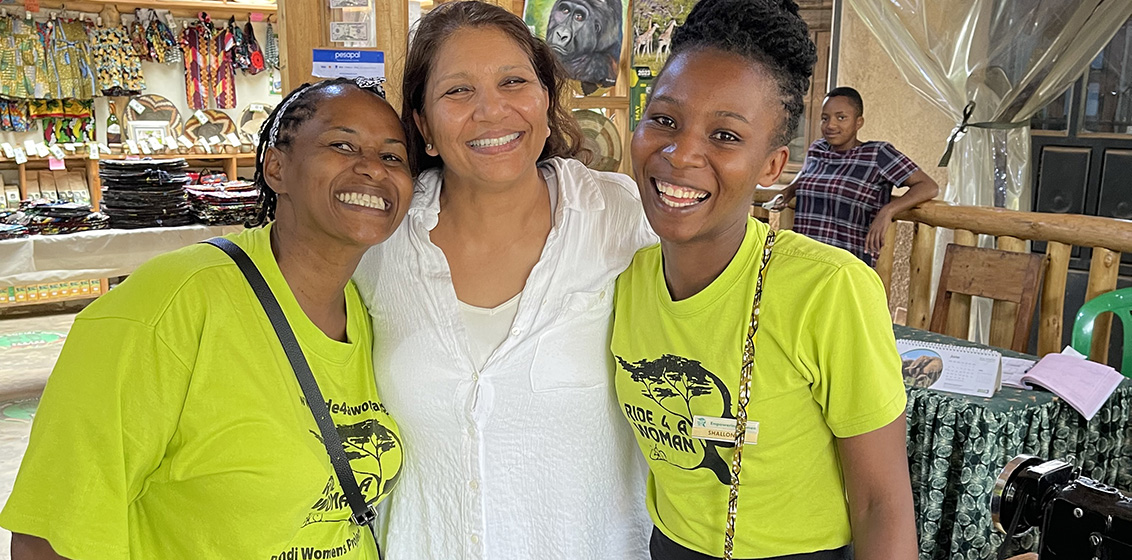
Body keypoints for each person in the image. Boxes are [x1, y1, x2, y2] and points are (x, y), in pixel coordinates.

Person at [2, 78, 413, 559]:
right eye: (342, 145)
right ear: (275, 167)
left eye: (393, 157)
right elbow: (49, 539)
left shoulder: (366, 314)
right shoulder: (171, 305)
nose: (371, 169)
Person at [613, 0, 917, 558]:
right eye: (663, 120)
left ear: (772, 167)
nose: (681, 155)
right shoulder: (623, 282)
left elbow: (883, 505)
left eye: (726, 136)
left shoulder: (830, 291)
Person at [351, 2, 655, 558]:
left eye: (514, 81)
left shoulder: (619, 218)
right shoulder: (380, 240)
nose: (491, 110)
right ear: (424, 126)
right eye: (458, 92)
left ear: (545, 100)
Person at [775, 86, 939, 265]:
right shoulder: (817, 149)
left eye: (841, 117)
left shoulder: (878, 154)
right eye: (825, 118)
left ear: (858, 122)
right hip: (804, 259)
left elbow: (928, 186)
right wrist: (790, 190)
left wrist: (888, 210)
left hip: (847, 266)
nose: (831, 125)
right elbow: (807, 175)